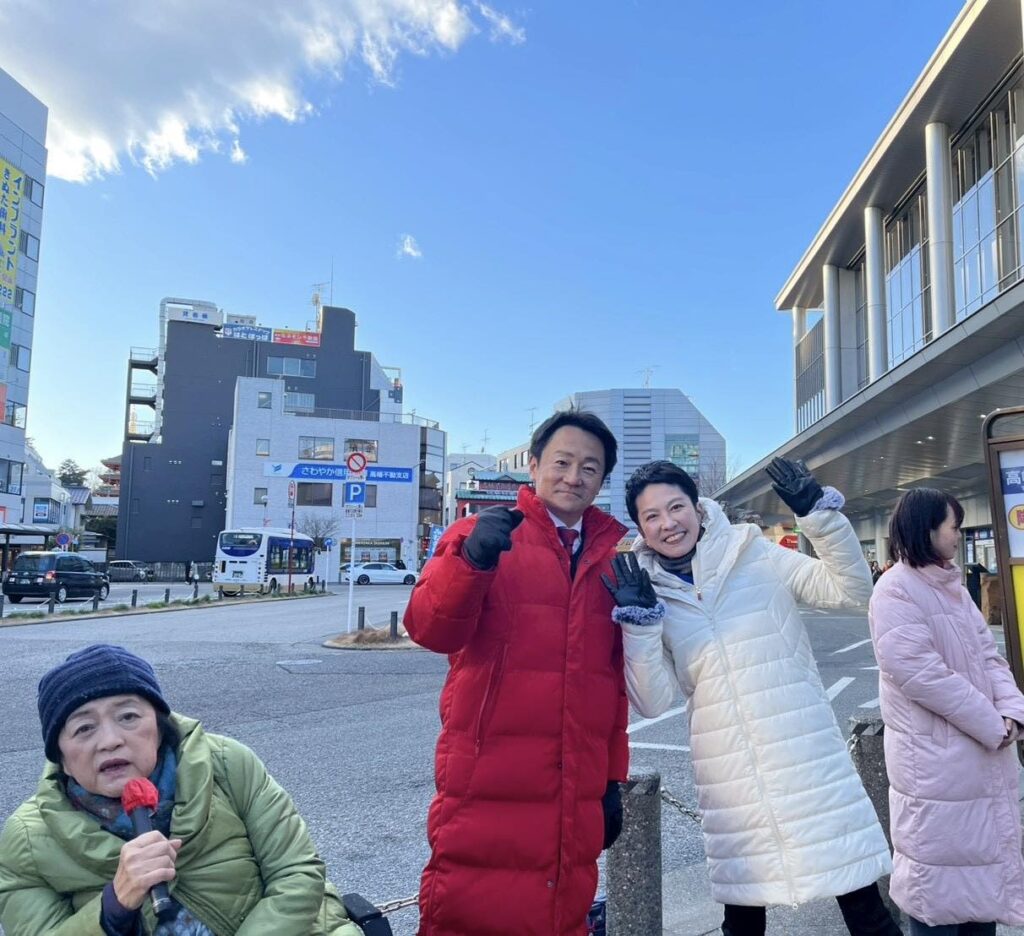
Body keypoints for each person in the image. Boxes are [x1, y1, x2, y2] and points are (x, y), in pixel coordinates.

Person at [604, 459, 898, 936]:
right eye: (651, 516)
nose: (668, 523)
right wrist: (640, 625)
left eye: (676, 507)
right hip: (730, 778)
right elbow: (653, 702)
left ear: (697, 507)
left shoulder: (753, 553)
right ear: (639, 527)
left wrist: (820, 518)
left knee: (864, 907)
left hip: (806, 762)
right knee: (742, 920)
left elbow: (849, 592)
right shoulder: (646, 589)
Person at [404, 411, 629, 936]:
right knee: (472, 908)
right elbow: (430, 629)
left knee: (564, 911)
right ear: (534, 466)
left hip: (577, 785)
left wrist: (611, 778)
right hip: (486, 778)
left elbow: (612, 683)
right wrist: (471, 563)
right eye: (562, 462)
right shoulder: (480, 533)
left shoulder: (611, 559)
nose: (574, 477)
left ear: (602, 480)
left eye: (590, 468)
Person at [0, 644, 364, 936]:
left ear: (160, 727)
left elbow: (297, 873)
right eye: (84, 728)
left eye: (128, 717)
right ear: (61, 758)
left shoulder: (228, 764)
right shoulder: (27, 839)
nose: (110, 741)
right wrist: (113, 906)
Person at [869, 488, 1024, 935]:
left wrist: (1011, 711)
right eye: (953, 527)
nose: (958, 536)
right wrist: (992, 723)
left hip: (978, 757)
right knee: (935, 885)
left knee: (981, 879)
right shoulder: (895, 589)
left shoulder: (952, 587)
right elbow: (921, 674)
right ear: (927, 529)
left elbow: (989, 657)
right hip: (934, 768)